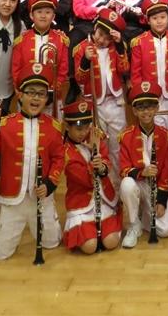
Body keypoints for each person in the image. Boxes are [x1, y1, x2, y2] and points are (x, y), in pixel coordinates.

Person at [0, 62, 64, 260]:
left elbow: (59, 159)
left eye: (41, 94)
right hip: (11, 199)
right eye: (30, 92)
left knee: (52, 242)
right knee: (1, 254)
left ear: (47, 98)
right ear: (20, 95)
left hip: (41, 198)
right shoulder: (5, 124)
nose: (36, 98)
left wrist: (50, 183)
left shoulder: (54, 127)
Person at [74, 8, 131, 185]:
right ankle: (101, 186)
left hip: (115, 102)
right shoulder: (81, 48)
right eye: (100, 34)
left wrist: (120, 46)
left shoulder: (117, 47)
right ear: (95, 28)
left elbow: (124, 69)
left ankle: (118, 184)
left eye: (107, 38)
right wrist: (85, 60)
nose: (101, 40)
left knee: (117, 145)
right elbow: (80, 78)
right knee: (98, 146)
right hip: (94, 104)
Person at [119, 81, 168, 247]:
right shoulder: (126, 136)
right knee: (126, 184)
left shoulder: (166, 136)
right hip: (137, 183)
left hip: (156, 187)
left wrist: (161, 201)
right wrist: (141, 173)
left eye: (150, 107)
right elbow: (123, 170)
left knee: (166, 230)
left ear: (157, 108)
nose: (146, 112)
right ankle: (133, 225)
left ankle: (144, 213)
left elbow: (167, 171)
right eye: (141, 108)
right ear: (134, 111)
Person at [61, 99, 122, 254]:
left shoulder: (94, 137)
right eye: (79, 129)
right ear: (67, 126)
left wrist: (101, 164)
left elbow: (107, 163)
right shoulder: (65, 152)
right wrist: (93, 155)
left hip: (103, 199)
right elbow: (85, 180)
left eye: (86, 127)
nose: (84, 133)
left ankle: (104, 226)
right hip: (81, 202)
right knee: (90, 247)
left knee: (111, 242)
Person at [129, 0, 168, 136]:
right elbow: (136, 74)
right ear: (148, 21)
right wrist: (140, 97)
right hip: (149, 97)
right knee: (152, 135)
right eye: (154, 18)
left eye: (163, 17)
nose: (159, 21)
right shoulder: (138, 42)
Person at [11, 0, 70, 111]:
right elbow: (16, 70)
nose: (43, 16)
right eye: (39, 12)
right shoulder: (21, 41)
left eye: (48, 12)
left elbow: (63, 70)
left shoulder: (61, 40)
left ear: (53, 16)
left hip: (52, 97)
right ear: (31, 15)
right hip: (26, 96)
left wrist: (53, 91)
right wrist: (21, 90)